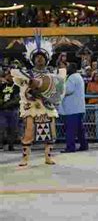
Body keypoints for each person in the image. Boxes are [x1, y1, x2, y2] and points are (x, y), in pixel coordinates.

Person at [11, 34, 66, 166]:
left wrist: (47, 93)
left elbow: (59, 90)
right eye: (37, 57)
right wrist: (31, 89)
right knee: (28, 132)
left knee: (50, 133)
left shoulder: (53, 73)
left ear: (46, 59)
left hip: (47, 107)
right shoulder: (26, 74)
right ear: (33, 59)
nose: (40, 59)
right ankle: (25, 158)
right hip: (32, 107)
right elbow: (19, 81)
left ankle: (48, 157)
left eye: (42, 57)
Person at [60, 62, 88, 153]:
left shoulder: (72, 77)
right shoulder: (78, 76)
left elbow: (68, 90)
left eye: (68, 67)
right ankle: (84, 145)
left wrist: (60, 86)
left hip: (72, 109)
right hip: (78, 108)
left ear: (72, 68)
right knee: (79, 129)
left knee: (70, 129)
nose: (66, 69)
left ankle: (70, 147)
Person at [0, 69, 20, 151]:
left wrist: (6, 104)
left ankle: (11, 145)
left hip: (13, 110)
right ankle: (0, 145)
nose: (9, 77)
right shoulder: (2, 86)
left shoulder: (16, 87)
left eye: (11, 76)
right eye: (8, 75)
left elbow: (17, 99)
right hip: (2, 111)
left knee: (12, 129)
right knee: (2, 128)